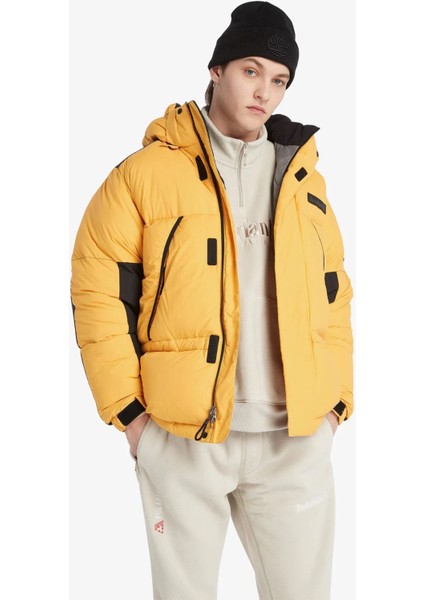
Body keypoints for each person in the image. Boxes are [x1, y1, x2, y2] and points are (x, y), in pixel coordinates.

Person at [70, 2, 354, 598]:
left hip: (294, 437)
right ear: (217, 69)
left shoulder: (303, 180)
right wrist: (131, 417)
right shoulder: (143, 175)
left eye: (279, 79)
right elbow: (98, 293)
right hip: (183, 437)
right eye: (251, 71)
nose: (265, 92)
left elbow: (334, 297)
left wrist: (335, 406)